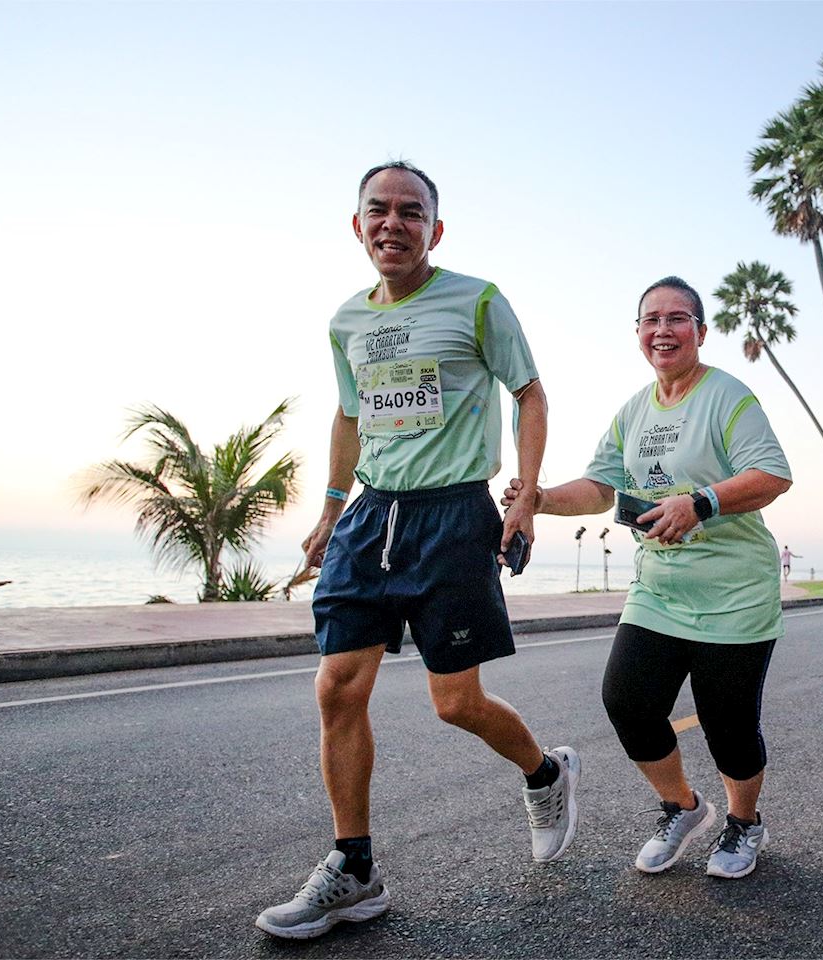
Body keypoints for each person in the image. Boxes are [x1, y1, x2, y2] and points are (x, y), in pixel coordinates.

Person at [257, 162, 578, 940]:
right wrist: (332, 509)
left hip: (453, 515)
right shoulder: (346, 321)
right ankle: (354, 870)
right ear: (358, 224)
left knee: (454, 703)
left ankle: (546, 773)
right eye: (379, 210)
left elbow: (529, 392)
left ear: (434, 230)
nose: (392, 223)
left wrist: (527, 495)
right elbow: (347, 413)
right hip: (372, 519)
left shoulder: (478, 300)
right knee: (337, 687)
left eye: (410, 212)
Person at [505, 276, 792, 879]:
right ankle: (682, 807)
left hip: (733, 593)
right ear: (638, 333)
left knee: (728, 726)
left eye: (678, 318)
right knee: (628, 701)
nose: (663, 330)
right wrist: (537, 498)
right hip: (659, 590)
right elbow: (601, 486)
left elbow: (771, 474)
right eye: (651, 320)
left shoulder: (727, 396)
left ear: (701, 331)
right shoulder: (633, 410)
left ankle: (744, 824)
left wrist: (701, 503)